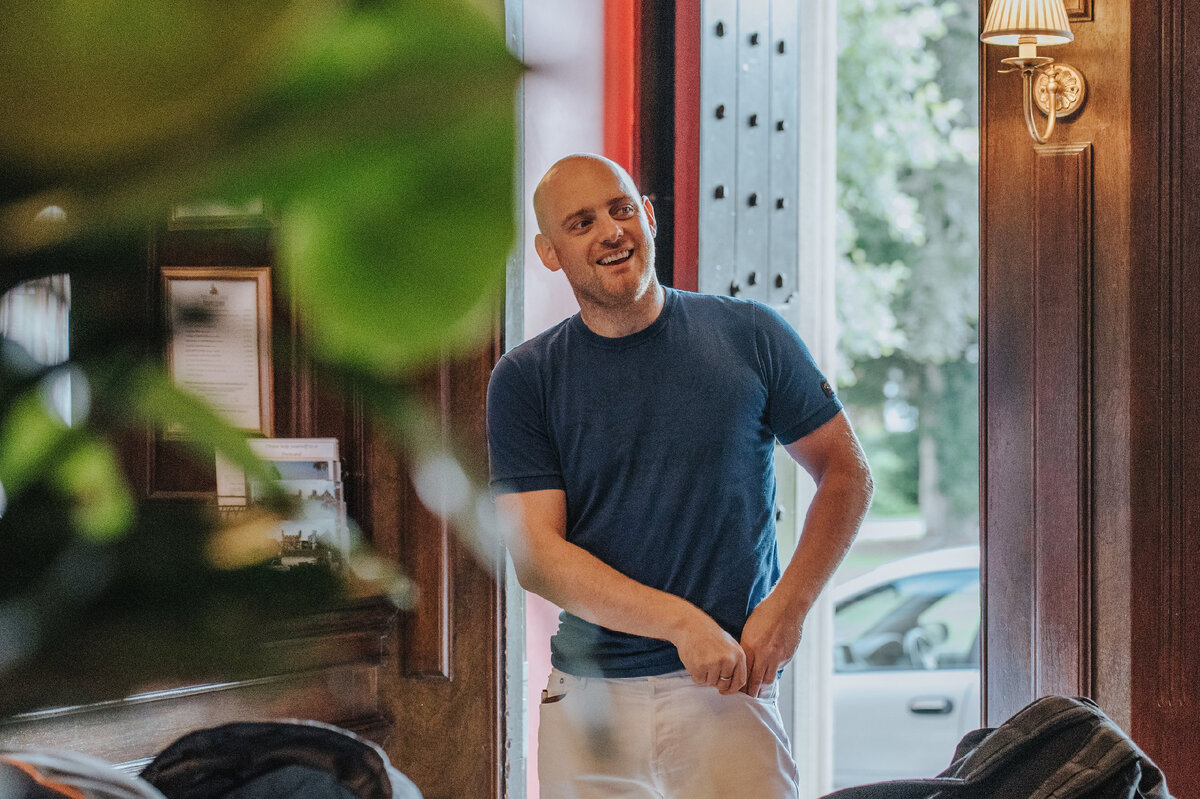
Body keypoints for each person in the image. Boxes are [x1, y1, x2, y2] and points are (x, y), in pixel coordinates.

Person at [486, 153, 874, 799]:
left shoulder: (752, 334)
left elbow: (846, 472)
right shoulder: (525, 379)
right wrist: (681, 624)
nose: (611, 231)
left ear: (649, 216)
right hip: (590, 710)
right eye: (581, 223)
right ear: (550, 253)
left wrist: (789, 607)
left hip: (730, 691)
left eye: (621, 209)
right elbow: (538, 557)